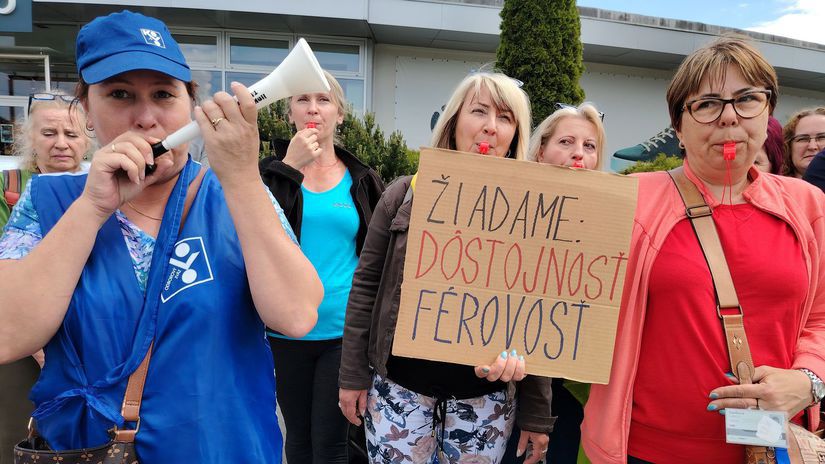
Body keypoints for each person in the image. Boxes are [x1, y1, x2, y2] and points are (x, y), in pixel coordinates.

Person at [0, 10, 322, 463]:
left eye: (164, 95)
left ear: (190, 106)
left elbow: (297, 315)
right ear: (87, 112)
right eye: (120, 95)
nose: (146, 117)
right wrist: (92, 209)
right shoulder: (50, 199)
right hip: (91, 450)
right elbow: (7, 334)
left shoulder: (235, 193)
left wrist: (244, 178)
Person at [581, 36, 825, 463]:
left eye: (747, 99)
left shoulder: (808, 206)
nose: (729, 117)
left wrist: (809, 380)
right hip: (650, 450)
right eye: (707, 104)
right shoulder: (628, 200)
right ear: (678, 126)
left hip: (773, 447)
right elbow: (561, 293)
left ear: (767, 111)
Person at [339, 72, 552, 464]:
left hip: (483, 402)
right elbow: (366, 285)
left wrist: (537, 411)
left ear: (515, 134)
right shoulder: (404, 194)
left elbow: (538, 311)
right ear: (454, 122)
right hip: (399, 391)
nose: (491, 125)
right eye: (479, 111)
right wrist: (352, 374)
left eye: (506, 117)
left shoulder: (531, 213)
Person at [259, 71, 385, 464]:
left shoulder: (362, 180)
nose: (314, 108)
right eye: (302, 99)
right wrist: (289, 168)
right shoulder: (267, 173)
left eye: (324, 99)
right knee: (297, 438)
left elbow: (380, 253)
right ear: (289, 113)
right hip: (285, 329)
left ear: (341, 115)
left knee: (332, 443)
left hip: (343, 333)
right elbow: (257, 232)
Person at [505, 102, 606, 464]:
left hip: (569, 384)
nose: (578, 153)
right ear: (541, 150)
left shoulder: (609, 220)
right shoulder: (509, 208)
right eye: (566, 142)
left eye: (589, 146)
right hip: (509, 378)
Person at [0, 89, 93, 464]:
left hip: (85, 345)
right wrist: (35, 342)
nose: (61, 144)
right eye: (49, 133)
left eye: (71, 135)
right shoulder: (9, 186)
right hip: (20, 348)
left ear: (87, 139)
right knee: (16, 439)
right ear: (27, 137)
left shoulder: (103, 187)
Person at [782, 107, 825, 178]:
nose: (812, 147)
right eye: (802, 139)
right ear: (788, 147)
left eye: (822, 138)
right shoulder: (772, 187)